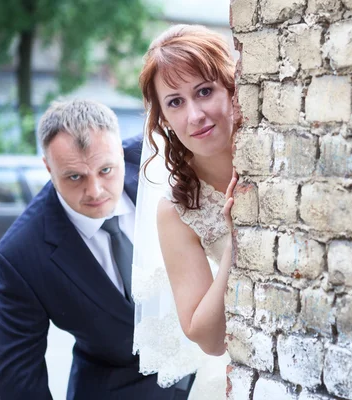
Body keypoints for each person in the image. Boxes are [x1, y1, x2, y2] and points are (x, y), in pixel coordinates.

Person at [0, 99, 194, 400]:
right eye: (75, 176)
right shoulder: (20, 256)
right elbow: (18, 379)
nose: (95, 191)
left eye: (106, 170)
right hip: (116, 389)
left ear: (120, 153)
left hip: (209, 372)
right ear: (48, 167)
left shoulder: (158, 156)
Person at [132, 25, 238, 400]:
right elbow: (207, 338)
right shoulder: (176, 210)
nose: (194, 115)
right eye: (175, 102)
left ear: (231, 85)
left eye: (204, 91)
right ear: (162, 118)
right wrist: (236, 241)